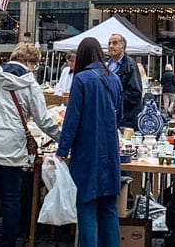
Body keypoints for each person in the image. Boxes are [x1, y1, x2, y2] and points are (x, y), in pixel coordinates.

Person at [0, 43, 61, 247]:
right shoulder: (31, 84)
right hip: (11, 148)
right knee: (11, 199)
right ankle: (8, 243)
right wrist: (63, 139)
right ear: (30, 62)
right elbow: (43, 120)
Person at [57, 37, 123, 247]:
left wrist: (62, 149)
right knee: (109, 209)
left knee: (86, 206)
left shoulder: (82, 79)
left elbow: (72, 118)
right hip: (110, 151)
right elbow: (119, 115)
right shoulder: (115, 78)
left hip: (87, 151)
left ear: (82, 55)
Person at [106, 33, 143, 130]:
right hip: (109, 115)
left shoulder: (130, 65)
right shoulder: (107, 64)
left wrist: (114, 101)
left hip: (125, 118)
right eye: (109, 43)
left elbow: (135, 94)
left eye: (114, 43)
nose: (111, 46)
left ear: (122, 47)